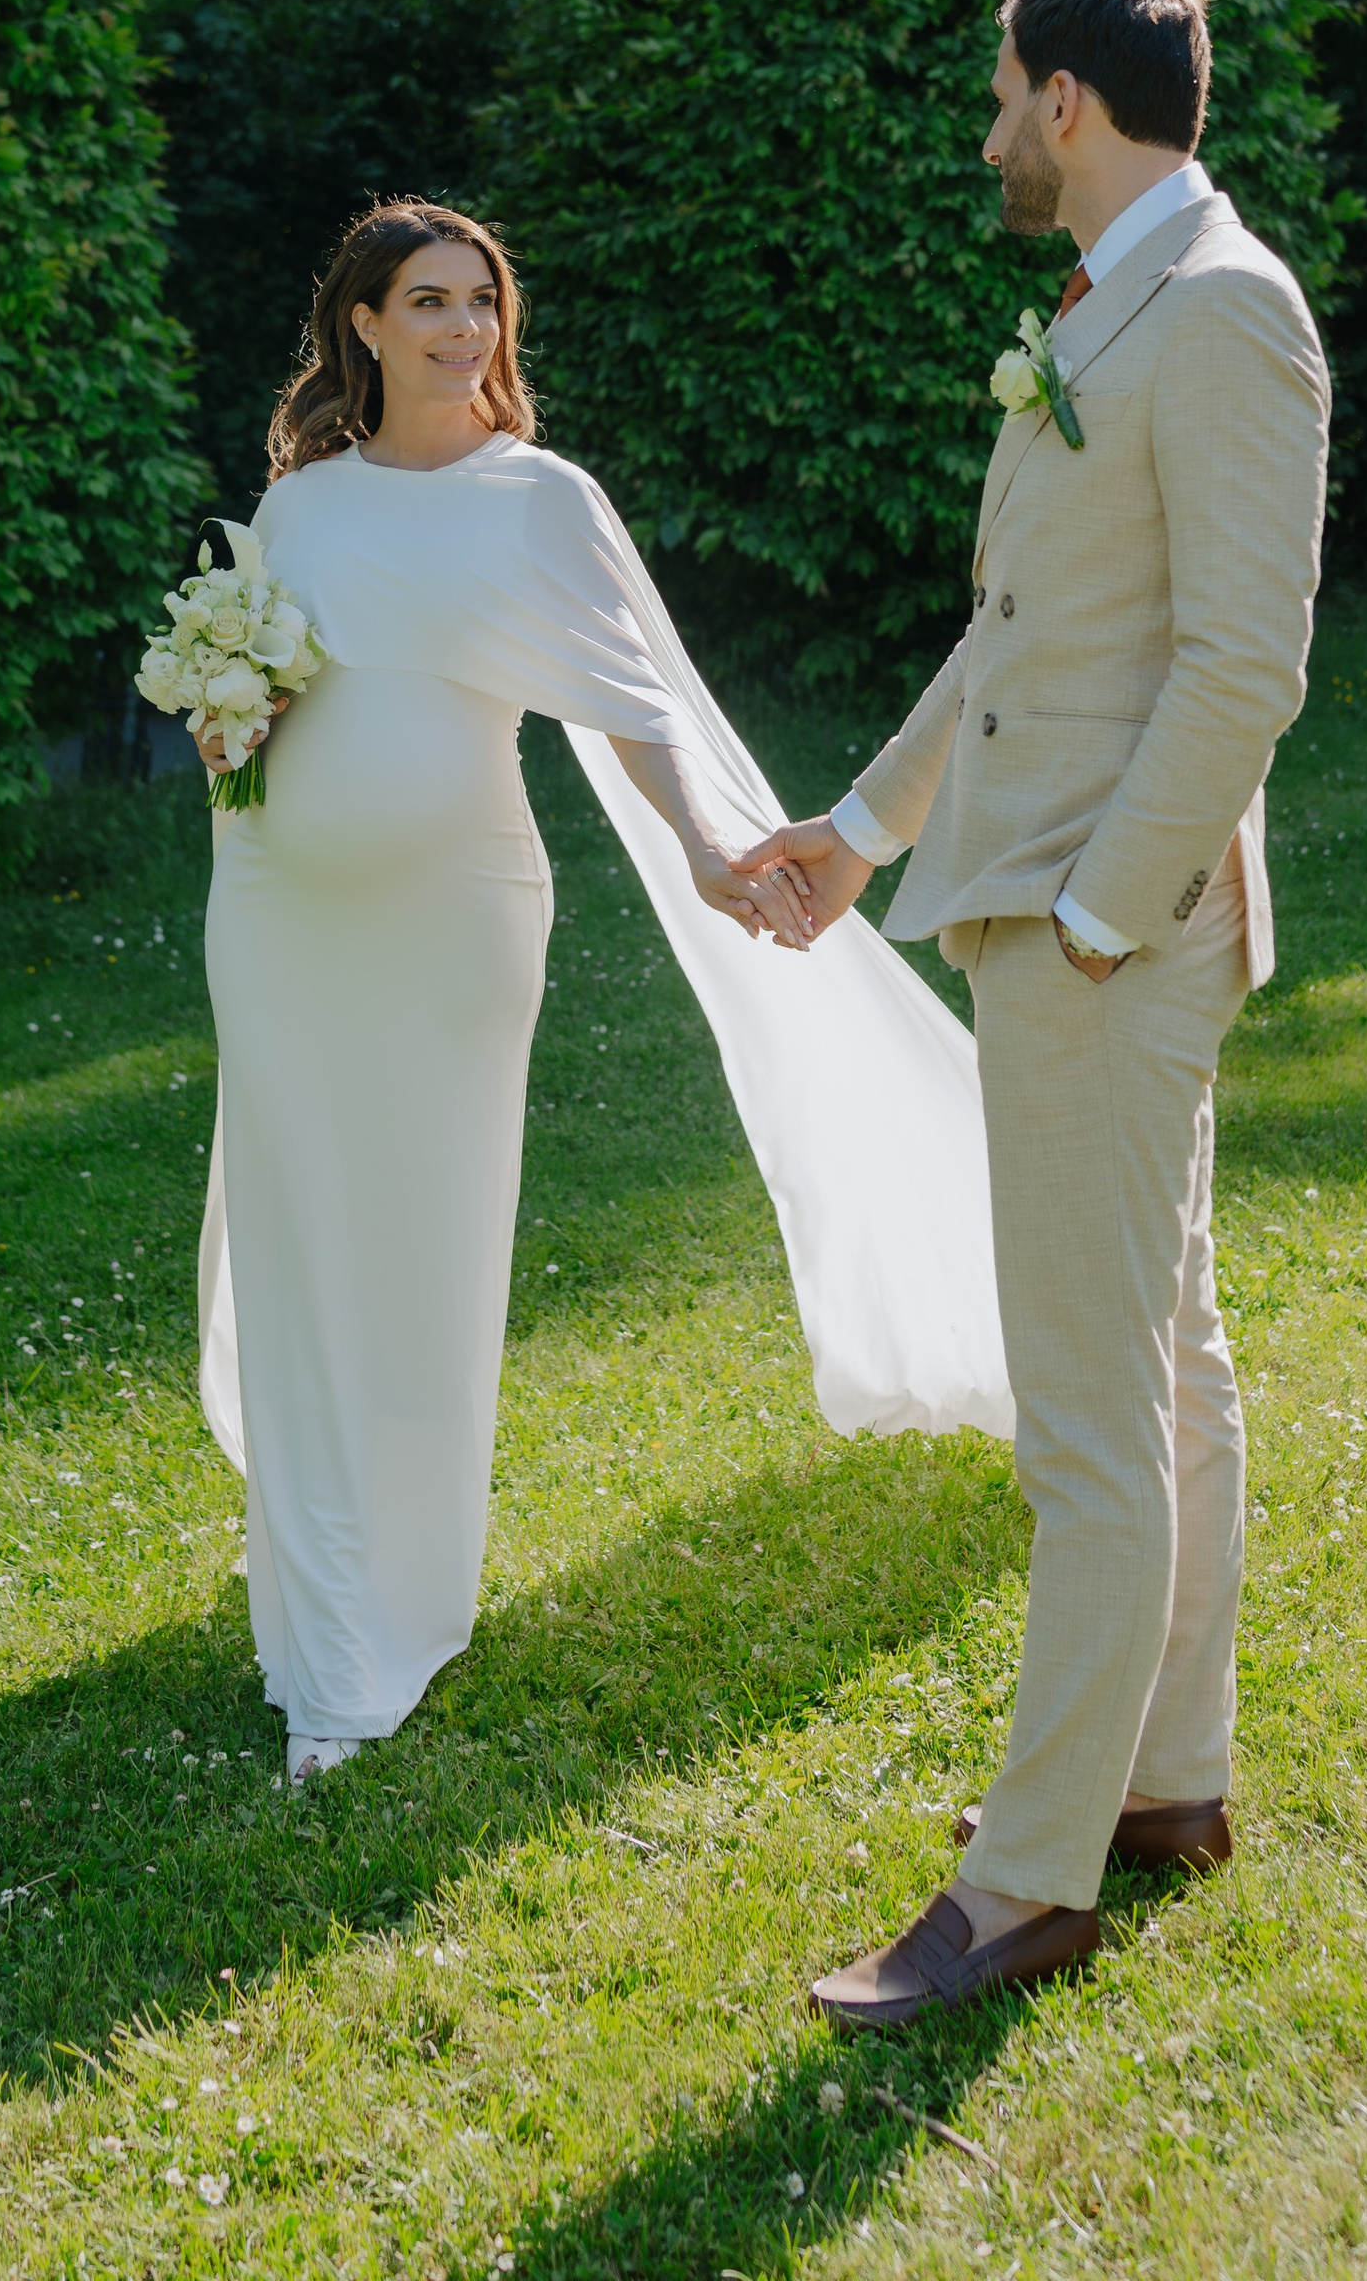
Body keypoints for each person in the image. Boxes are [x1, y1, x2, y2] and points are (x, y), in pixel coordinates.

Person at [189, 198, 1012, 1786]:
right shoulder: (298, 511)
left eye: (478, 305)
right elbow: (268, 698)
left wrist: (711, 846)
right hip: (277, 919)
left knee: (416, 1251)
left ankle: (385, 1627)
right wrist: (225, 724)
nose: (458, 332)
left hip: (452, 938)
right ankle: (309, 1608)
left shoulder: (541, 502)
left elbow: (639, 703)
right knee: (303, 1241)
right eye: (425, 303)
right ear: (361, 325)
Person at [742, 0, 1330, 2030]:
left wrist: (1095, 917)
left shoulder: (1228, 312)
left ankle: (1021, 1886)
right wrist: (855, 831)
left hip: (1107, 939)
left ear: (1070, 102)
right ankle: (1168, 1784)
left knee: (1085, 1416)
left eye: (1004, 93)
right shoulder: (1113, 305)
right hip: (1054, 906)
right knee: (1163, 1367)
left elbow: (1242, 661)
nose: (989, 129)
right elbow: (1022, 634)